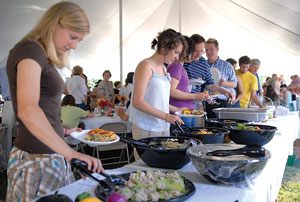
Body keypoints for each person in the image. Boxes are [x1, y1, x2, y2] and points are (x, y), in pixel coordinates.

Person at [5, 2, 103, 201]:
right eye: (72, 36)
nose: (74, 45)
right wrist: (70, 153)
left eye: (79, 40)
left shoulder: (40, 54)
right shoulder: (30, 50)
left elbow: (44, 108)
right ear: (56, 23)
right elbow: (28, 110)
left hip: (50, 153)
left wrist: (64, 131)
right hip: (36, 158)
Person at [129, 29, 185, 159]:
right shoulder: (145, 66)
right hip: (146, 128)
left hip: (162, 127)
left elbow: (159, 101)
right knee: (146, 171)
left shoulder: (164, 69)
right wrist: (166, 116)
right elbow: (137, 101)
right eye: (176, 52)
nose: (177, 57)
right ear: (165, 47)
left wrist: (177, 110)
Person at [183, 34, 234, 114]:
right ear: (189, 48)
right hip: (181, 103)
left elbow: (210, 85)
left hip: (196, 104)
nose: (199, 54)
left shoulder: (203, 62)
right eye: (196, 51)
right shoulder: (182, 62)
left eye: (201, 51)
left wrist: (224, 91)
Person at [167, 36, 210, 128]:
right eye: (194, 51)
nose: (196, 55)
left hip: (185, 111)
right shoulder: (177, 66)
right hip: (181, 113)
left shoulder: (179, 66)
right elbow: (171, 90)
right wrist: (195, 96)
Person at [205, 38, 237, 116]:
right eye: (206, 50)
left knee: (225, 126)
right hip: (208, 102)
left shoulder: (227, 65)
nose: (209, 52)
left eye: (211, 49)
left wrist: (224, 83)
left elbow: (234, 84)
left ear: (217, 49)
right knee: (208, 127)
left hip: (224, 102)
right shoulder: (203, 65)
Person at [0, 56, 17, 161]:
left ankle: (6, 161)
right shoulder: (23, 62)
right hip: (24, 102)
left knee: (6, 135)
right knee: (22, 133)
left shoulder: (2, 65)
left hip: (8, 103)